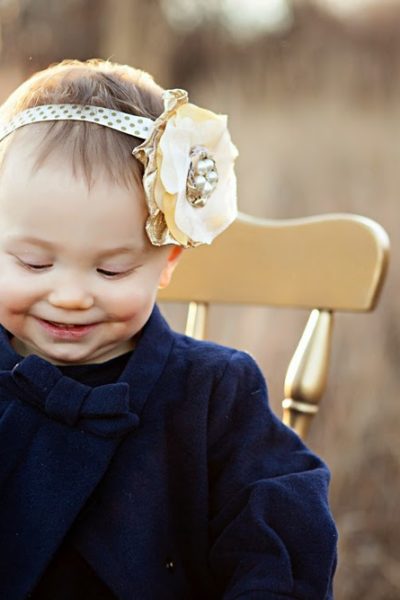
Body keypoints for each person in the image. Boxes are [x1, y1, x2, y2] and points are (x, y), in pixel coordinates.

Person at [0, 59, 337, 600]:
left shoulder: (213, 392)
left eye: (111, 270)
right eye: (34, 263)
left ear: (168, 262)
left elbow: (276, 530)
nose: (69, 295)